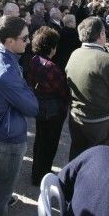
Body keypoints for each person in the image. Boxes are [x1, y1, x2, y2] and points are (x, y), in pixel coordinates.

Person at [0, 16, 39, 216]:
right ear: (9, 41)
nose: (29, 41)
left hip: (3, 128)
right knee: (2, 186)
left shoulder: (3, 56)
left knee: (2, 180)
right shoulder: (5, 70)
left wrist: (24, 89)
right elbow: (33, 108)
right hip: (9, 137)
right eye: (24, 38)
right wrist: (28, 90)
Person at [65, 17, 109, 160]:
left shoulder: (75, 53)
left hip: (77, 117)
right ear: (101, 35)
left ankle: (73, 181)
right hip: (101, 122)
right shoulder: (107, 60)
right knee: (99, 161)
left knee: (77, 156)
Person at [26, 26, 70, 186]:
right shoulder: (51, 67)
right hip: (53, 111)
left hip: (40, 107)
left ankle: (36, 171)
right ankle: (41, 176)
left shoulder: (34, 60)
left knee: (39, 140)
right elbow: (64, 92)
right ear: (51, 47)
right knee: (49, 144)